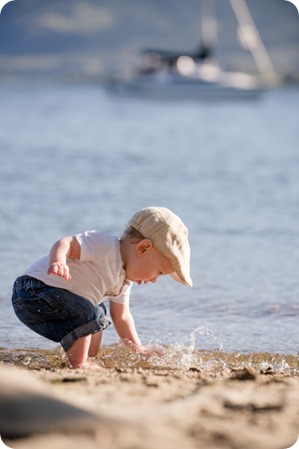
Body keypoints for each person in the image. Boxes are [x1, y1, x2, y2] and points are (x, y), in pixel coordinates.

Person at [12, 206, 192, 368]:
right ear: (144, 248)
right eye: (159, 272)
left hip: (55, 302)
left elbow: (122, 317)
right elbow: (66, 243)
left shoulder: (123, 282)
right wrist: (58, 261)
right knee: (88, 313)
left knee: (99, 314)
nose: (154, 280)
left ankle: (89, 358)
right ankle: (79, 364)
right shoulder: (105, 245)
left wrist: (137, 348)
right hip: (33, 292)